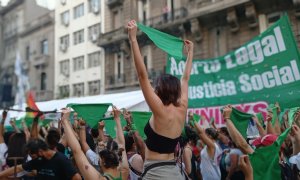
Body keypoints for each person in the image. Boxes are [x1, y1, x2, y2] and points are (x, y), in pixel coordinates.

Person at [127, 20, 193, 179]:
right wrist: (191, 53)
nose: (154, 90)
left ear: (161, 90)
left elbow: (142, 76)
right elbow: (185, 79)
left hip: (156, 174)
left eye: (156, 87)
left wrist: (133, 40)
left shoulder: (159, 109)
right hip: (174, 172)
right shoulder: (182, 106)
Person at [61, 107, 129, 180]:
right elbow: (122, 145)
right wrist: (117, 118)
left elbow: (77, 151)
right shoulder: (124, 172)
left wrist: (65, 121)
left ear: (102, 161)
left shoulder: (97, 178)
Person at [0, 139, 81, 180]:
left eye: (32, 156)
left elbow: (77, 178)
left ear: (40, 152)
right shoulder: (39, 160)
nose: (32, 159)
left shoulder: (61, 160)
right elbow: (18, 168)